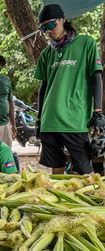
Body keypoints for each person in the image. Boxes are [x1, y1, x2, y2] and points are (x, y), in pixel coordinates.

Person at [34, 4, 103, 175]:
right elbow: (43, 88)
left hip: (74, 119)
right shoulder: (46, 53)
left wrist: (98, 111)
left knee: (85, 170)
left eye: (51, 25)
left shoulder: (86, 43)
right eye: (43, 28)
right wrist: (39, 119)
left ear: (63, 19)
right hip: (49, 121)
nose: (48, 31)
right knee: (56, 171)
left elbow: (96, 77)